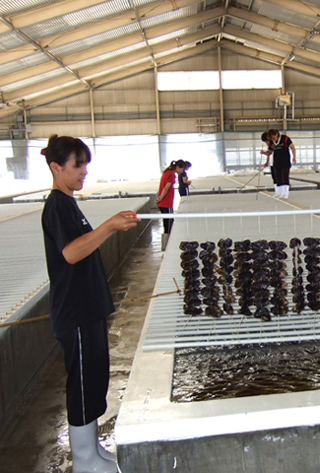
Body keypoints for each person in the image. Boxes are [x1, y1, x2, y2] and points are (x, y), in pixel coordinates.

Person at [41, 135, 139, 473]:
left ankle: (93, 449)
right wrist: (109, 225)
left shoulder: (69, 204)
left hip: (88, 308)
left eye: (85, 165)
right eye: (77, 165)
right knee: (82, 383)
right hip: (75, 311)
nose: (84, 172)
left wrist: (110, 227)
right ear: (56, 168)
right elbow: (70, 253)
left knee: (94, 377)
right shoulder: (57, 205)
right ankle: (83, 460)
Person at [264, 129, 297, 199]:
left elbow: (293, 147)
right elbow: (270, 152)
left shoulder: (285, 138)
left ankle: (285, 193)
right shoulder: (272, 142)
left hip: (285, 162)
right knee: (278, 178)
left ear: (276, 134)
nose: (273, 139)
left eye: (273, 137)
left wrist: (294, 157)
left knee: (285, 177)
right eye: (271, 138)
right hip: (276, 162)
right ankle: (279, 193)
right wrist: (264, 153)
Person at [156, 160, 178, 250]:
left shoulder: (166, 172)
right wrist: (161, 198)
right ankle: (168, 245)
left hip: (163, 202)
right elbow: (166, 188)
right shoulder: (172, 174)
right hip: (166, 202)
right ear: (178, 168)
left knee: (167, 222)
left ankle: (166, 244)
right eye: (182, 169)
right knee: (169, 223)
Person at [260, 132, 279, 197]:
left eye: (266, 141)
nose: (266, 143)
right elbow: (269, 154)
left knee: (278, 178)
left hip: (277, 163)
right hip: (272, 163)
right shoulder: (270, 146)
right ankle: (277, 191)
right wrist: (267, 162)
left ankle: (280, 192)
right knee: (274, 178)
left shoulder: (275, 144)